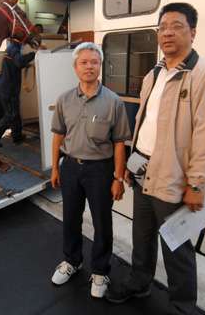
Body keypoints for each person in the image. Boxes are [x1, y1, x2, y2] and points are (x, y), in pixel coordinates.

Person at [105, 3, 205, 314]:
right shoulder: (154, 74)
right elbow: (146, 123)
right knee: (141, 236)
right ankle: (140, 282)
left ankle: (182, 306)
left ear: (193, 32)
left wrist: (197, 184)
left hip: (174, 176)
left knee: (177, 247)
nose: (168, 32)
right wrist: (132, 164)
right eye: (162, 27)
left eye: (177, 26)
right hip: (143, 169)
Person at [50, 42, 131, 298]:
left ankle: (100, 271)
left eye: (94, 62)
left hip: (101, 170)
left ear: (100, 66)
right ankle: (72, 261)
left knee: (102, 223)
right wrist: (55, 168)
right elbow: (58, 137)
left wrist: (118, 177)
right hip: (71, 167)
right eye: (83, 62)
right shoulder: (64, 100)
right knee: (71, 219)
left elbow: (119, 143)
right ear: (75, 67)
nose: (89, 66)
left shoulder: (113, 101)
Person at [0, 39, 38, 147]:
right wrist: (34, 54)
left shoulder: (12, 47)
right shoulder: (14, 48)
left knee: (15, 112)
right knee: (10, 115)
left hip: (6, 86)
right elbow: (19, 61)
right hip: (8, 88)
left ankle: (17, 136)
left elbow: (15, 63)